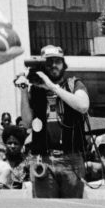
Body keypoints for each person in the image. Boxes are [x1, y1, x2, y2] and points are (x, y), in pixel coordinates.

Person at [17, 45, 90, 198]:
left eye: (58, 61)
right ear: (43, 66)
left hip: (71, 159)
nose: (54, 65)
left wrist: (52, 86)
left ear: (64, 65)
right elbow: (27, 122)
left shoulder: (74, 84)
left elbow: (83, 106)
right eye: (49, 62)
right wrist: (24, 91)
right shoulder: (36, 90)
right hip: (43, 159)